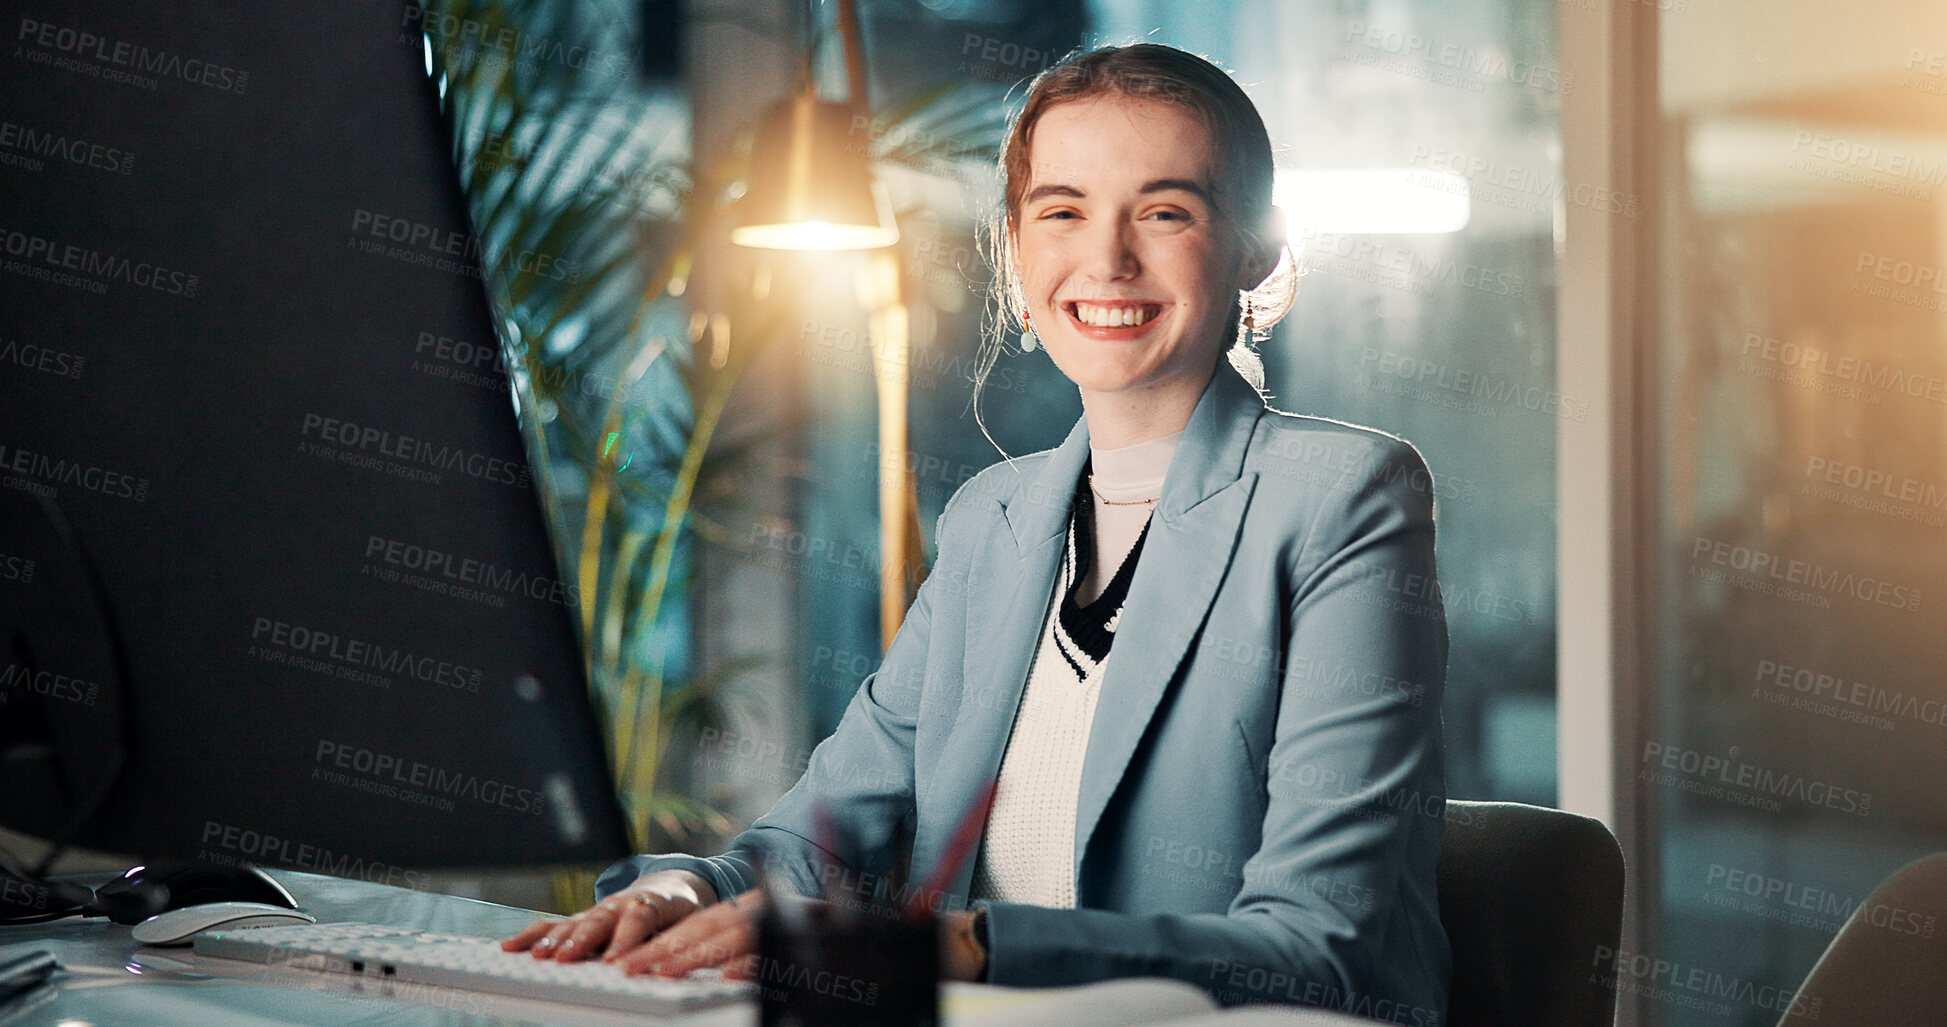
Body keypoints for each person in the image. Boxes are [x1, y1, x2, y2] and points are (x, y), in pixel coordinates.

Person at [505, 42, 1451, 1021]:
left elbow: (1315, 948)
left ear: (1253, 246)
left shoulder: (1345, 497)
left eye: (1165, 212)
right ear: (1014, 248)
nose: (1107, 258)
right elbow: (820, 838)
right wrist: (684, 891)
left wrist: (952, 946)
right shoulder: (991, 521)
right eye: (1062, 212)